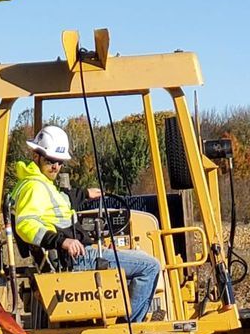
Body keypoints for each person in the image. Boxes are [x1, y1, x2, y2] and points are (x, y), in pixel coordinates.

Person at [10, 125, 161, 323]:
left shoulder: (39, 183)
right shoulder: (34, 187)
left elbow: (61, 202)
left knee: (139, 258)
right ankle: (128, 329)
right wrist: (63, 242)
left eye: (59, 162)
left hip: (73, 254)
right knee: (150, 266)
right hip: (76, 258)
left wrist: (85, 194)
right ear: (36, 156)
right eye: (50, 161)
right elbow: (26, 225)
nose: (55, 166)